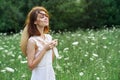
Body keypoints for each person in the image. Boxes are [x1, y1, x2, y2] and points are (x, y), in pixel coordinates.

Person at [20, 6, 58, 80]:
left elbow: (51, 60)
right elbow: (31, 66)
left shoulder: (48, 37)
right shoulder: (32, 41)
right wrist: (44, 49)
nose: (46, 18)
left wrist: (53, 47)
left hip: (50, 74)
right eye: (41, 17)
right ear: (35, 21)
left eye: (46, 16)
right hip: (39, 76)